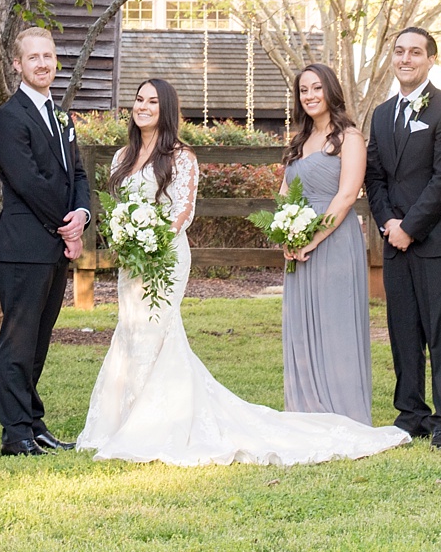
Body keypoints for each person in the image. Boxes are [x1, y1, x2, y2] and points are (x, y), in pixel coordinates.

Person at [77, 79, 408, 464]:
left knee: (157, 331)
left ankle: (155, 422)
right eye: (138, 99)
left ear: (166, 108)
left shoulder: (180, 156)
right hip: (132, 261)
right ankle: (123, 418)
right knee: (131, 331)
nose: (143, 106)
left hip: (165, 256)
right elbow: (119, 207)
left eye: (153, 101)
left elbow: (182, 212)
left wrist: (153, 241)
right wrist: (126, 237)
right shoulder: (121, 157)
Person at [364, 26, 441, 452]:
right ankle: (410, 414)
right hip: (394, 241)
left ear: (431, 59)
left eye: (415, 52)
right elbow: (374, 177)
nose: (405, 59)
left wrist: (410, 227)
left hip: (440, 242)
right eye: (399, 52)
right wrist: (390, 224)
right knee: (403, 331)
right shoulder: (381, 113)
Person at [0, 26, 91, 456]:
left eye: (49, 57)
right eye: (34, 58)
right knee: (18, 340)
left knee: (40, 339)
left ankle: (33, 421)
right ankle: (15, 433)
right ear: (18, 64)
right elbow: (29, 182)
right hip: (24, 247)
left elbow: (79, 176)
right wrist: (65, 226)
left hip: (53, 246)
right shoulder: (10, 118)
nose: (43, 64)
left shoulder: (60, 115)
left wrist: (81, 215)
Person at [281, 64, 377, 425]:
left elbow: (348, 194)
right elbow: (284, 195)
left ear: (331, 91)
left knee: (335, 323)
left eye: (316, 88)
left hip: (334, 241)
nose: (309, 96)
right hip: (298, 244)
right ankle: (305, 410)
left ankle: (343, 412)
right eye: (303, 90)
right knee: (302, 324)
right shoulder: (297, 141)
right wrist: (286, 236)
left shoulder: (349, 137)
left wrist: (312, 238)